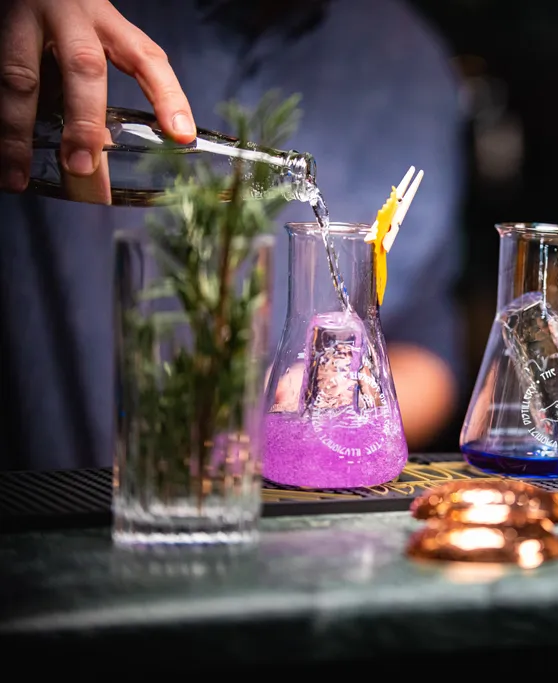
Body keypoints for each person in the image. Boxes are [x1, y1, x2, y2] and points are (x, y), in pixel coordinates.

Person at [0, 0, 465, 470]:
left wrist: (313, 418)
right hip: (48, 493)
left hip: (260, 507)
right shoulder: (62, 17)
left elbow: (424, 346)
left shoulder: (410, 60)